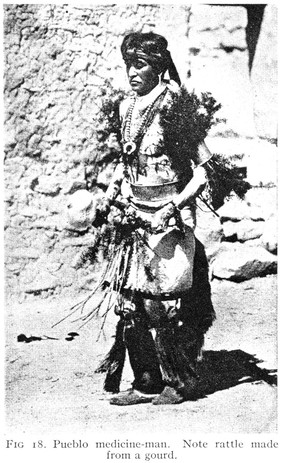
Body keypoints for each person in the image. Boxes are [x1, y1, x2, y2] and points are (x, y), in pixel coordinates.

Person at [96, 32, 216, 405]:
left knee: (161, 305)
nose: (132, 71)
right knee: (130, 304)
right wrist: (116, 188)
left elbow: (203, 171)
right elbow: (129, 159)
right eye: (128, 64)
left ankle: (178, 381)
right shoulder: (124, 108)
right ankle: (145, 380)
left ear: (159, 66)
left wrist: (175, 206)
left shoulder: (176, 106)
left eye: (141, 64)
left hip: (168, 219)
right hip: (134, 217)